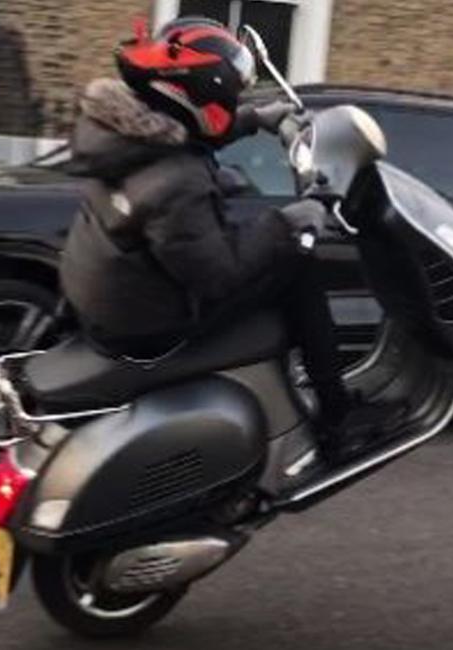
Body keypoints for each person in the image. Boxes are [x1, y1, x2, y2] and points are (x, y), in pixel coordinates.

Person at [60, 17, 374, 462]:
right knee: (296, 264)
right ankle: (337, 420)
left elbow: (185, 131)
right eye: (230, 94)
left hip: (110, 301)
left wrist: (254, 120)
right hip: (148, 325)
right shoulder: (177, 181)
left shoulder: (118, 137)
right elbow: (218, 276)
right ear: (198, 92)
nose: (234, 100)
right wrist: (290, 222)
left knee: (271, 243)